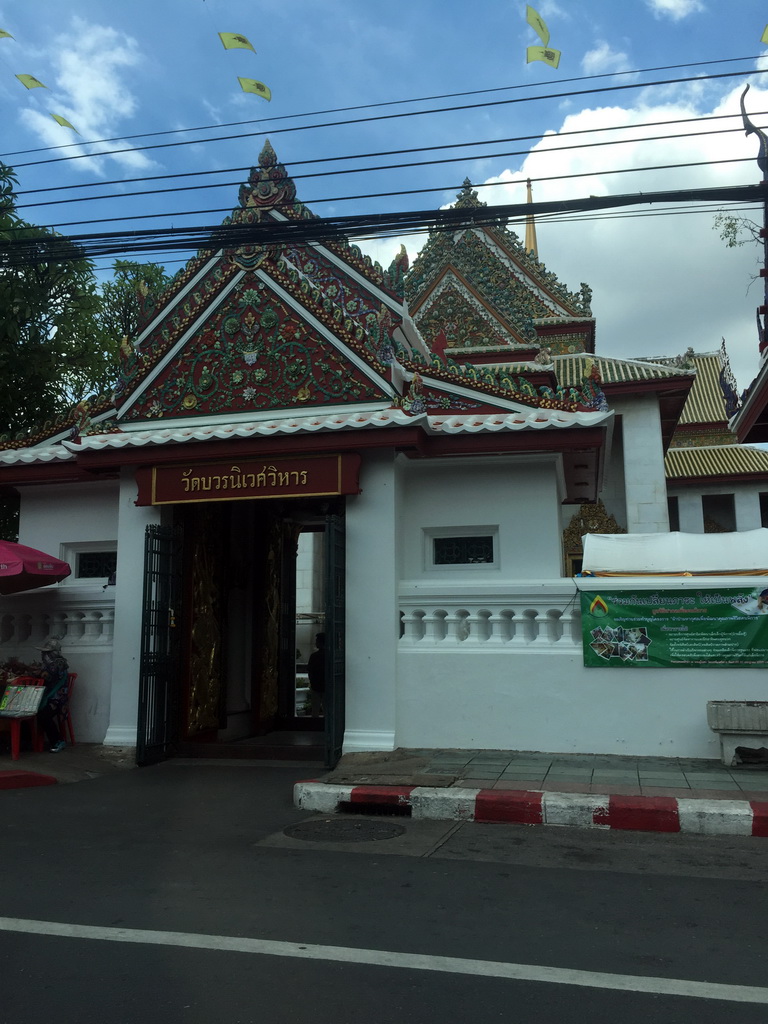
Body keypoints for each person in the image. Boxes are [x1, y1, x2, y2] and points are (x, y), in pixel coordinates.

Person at [36, 637, 69, 752]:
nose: (43, 655)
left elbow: (44, 675)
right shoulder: (52, 664)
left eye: (46, 653)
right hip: (50, 698)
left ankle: (58, 741)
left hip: (57, 700)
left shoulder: (58, 664)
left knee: (43, 715)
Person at [306, 632, 326, 718]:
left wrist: (311, 681)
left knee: (315, 709)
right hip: (326, 686)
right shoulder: (329, 656)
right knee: (327, 709)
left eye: (317, 641)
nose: (315, 643)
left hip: (316, 686)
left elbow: (310, 670)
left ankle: (314, 724)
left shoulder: (314, 656)